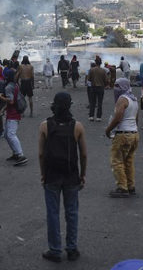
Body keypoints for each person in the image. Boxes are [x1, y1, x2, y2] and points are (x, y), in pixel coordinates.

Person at [38, 92, 87, 263]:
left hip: (52, 175)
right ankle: (72, 249)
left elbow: (41, 154)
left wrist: (43, 174)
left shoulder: (45, 125)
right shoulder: (77, 126)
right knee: (72, 212)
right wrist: (82, 175)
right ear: (69, 105)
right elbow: (84, 154)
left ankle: (55, 250)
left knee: (52, 213)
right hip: (71, 175)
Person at [105, 78, 139, 198]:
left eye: (117, 86)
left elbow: (118, 117)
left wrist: (108, 129)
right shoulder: (134, 100)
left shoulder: (122, 99)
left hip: (123, 134)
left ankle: (122, 188)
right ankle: (131, 186)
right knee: (129, 161)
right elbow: (136, 119)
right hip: (134, 133)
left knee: (117, 161)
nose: (115, 88)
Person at [0, 69, 28, 166]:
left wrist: (0, 97)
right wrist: (4, 109)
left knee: (10, 134)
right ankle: (15, 154)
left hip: (13, 114)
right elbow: (13, 100)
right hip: (13, 112)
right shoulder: (15, 85)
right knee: (7, 134)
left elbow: (11, 101)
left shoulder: (8, 87)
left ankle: (20, 155)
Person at [88, 57, 108, 122]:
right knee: (100, 103)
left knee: (92, 102)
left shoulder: (91, 70)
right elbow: (106, 80)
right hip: (101, 88)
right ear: (101, 63)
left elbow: (89, 79)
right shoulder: (103, 70)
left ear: (95, 62)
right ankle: (98, 117)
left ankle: (91, 116)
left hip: (93, 87)